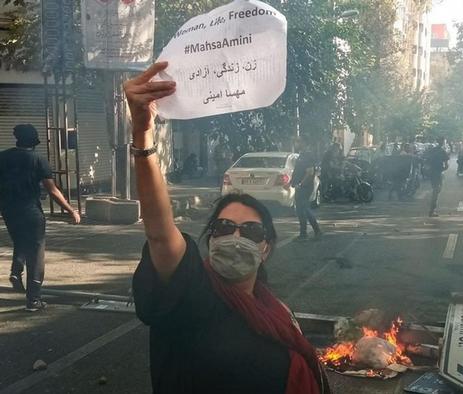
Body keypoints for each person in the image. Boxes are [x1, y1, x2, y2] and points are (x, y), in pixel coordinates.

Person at [124, 63, 330, 394]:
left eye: (250, 231)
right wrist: (142, 135)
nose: (236, 236)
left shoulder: (274, 310)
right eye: (225, 227)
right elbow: (160, 232)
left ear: (265, 248)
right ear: (211, 238)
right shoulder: (191, 293)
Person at [0, 124, 81, 311]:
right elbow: (52, 190)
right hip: (31, 212)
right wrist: (71, 210)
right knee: (36, 252)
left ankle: (16, 269)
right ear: (34, 142)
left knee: (20, 241)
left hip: (9, 210)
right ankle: (34, 300)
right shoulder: (38, 160)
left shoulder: (2, 157)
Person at [291, 136, 322, 241]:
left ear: (304, 143)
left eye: (298, 141)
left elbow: (309, 172)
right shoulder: (302, 155)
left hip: (305, 187)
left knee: (305, 209)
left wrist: (300, 184)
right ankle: (303, 233)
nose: (296, 143)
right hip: (299, 186)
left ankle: (317, 230)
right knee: (300, 210)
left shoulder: (308, 155)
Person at [423, 138, 449, 217]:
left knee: (435, 189)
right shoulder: (442, 151)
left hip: (432, 172)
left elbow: (426, 160)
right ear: (443, 142)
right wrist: (443, 168)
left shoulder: (432, 150)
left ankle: (432, 207)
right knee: (437, 189)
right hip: (438, 172)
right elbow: (446, 164)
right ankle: (432, 208)